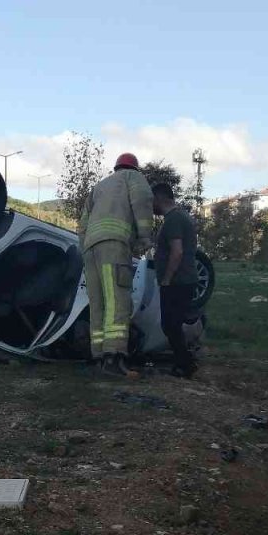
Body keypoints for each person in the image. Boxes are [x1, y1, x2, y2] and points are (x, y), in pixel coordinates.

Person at [78, 153, 153, 373]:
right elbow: (142, 202)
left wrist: (86, 248)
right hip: (114, 245)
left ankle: (98, 355)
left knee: (97, 302)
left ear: (116, 167)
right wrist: (144, 236)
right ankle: (114, 356)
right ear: (134, 168)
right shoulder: (133, 178)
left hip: (90, 248)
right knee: (117, 299)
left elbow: (82, 224)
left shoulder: (99, 187)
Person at [151, 182, 198, 378]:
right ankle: (184, 362)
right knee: (172, 324)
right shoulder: (178, 217)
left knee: (170, 324)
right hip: (183, 280)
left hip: (177, 282)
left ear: (159, 198)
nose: (150, 205)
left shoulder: (174, 220)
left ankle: (184, 365)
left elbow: (177, 252)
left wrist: (167, 279)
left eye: (151, 200)